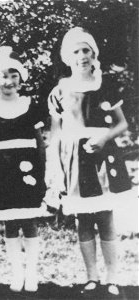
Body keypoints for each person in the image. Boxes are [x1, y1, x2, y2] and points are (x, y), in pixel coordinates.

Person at [47, 27, 131, 297]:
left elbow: (122, 123)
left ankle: (112, 276)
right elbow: (56, 132)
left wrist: (105, 137)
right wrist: (56, 166)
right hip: (73, 158)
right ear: (67, 57)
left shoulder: (104, 85)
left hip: (101, 157)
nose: (82, 56)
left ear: (94, 54)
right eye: (76, 51)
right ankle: (91, 276)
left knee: (105, 217)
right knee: (82, 219)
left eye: (86, 50)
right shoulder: (60, 89)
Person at [0, 46, 50, 293]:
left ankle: (32, 273)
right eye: (4, 76)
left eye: (14, 76)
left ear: (21, 80)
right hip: (1, 174)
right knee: (9, 222)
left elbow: (40, 142)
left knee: (29, 221)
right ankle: (17, 272)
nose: (8, 82)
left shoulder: (31, 106)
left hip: (27, 171)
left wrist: (42, 173)